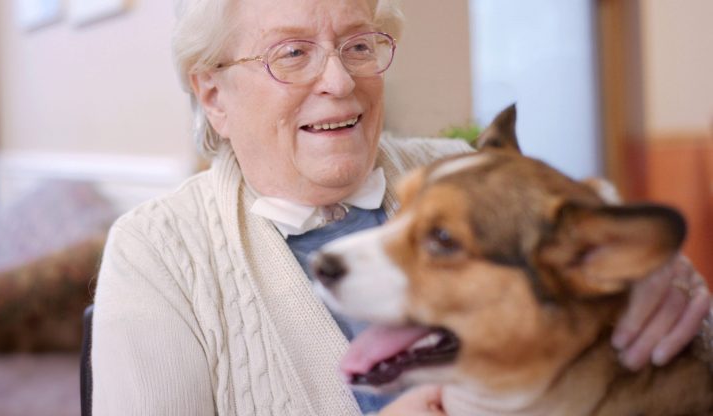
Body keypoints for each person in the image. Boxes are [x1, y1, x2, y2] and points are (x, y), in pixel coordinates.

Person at [90, 0, 712, 414]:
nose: (338, 80)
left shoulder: (456, 168)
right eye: (292, 53)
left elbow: (589, 248)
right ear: (213, 94)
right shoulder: (158, 249)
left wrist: (658, 283)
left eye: (359, 46)